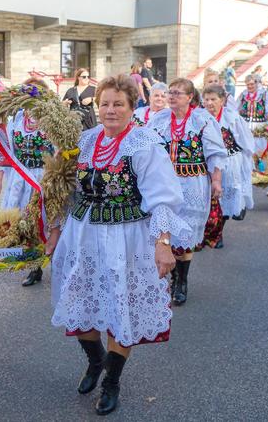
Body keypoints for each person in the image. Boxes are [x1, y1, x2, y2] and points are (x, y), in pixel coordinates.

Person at [49, 74, 189, 416]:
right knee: (80, 302)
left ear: (132, 107)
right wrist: (54, 230)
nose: (110, 111)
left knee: (120, 309)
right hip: (83, 237)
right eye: (104, 104)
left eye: (118, 104)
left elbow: (163, 198)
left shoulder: (143, 144)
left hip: (127, 240)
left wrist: (163, 243)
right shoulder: (84, 141)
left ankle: (112, 381)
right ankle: (96, 361)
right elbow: (63, 188)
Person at [152, 78, 227, 305]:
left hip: (192, 184)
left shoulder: (202, 120)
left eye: (177, 93)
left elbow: (215, 153)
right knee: (165, 232)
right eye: (170, 92)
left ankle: (181, 281)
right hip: (164, 183)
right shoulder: (159, 119)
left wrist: (216, 180)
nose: (171, 96)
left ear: (190, 97)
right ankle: (170, 277)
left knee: (184, 234)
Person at [0, 77, 55, 286]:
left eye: (35, 94)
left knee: (44, 221)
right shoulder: (17, 119)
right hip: (19, 178)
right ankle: (33, 267)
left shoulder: (51, 120)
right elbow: (7, 151)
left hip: (41, 177)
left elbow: (61, 151)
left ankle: (54, 258)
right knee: (22, 221)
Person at [201, 85, 254, 249]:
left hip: (230, 162)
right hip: (206, 163)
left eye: (213, 99)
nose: (209, 103)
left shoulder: (232, 117)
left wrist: (247, 163)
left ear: (222, 101)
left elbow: (245, 142)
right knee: (206, 199)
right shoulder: (199, 117)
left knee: (223, 197)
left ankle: (218, 233)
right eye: (207, 99)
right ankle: (204, 232)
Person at [238, 74, 268, 194]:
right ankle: (247, 183)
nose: (249, 86)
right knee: (246, 155)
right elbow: (235, 109)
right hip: (246, 128)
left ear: (257, 83)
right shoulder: (243, 95)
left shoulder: (264, 94)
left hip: (260, 127)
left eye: (252, 84)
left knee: (264, 155)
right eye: (247, 84)